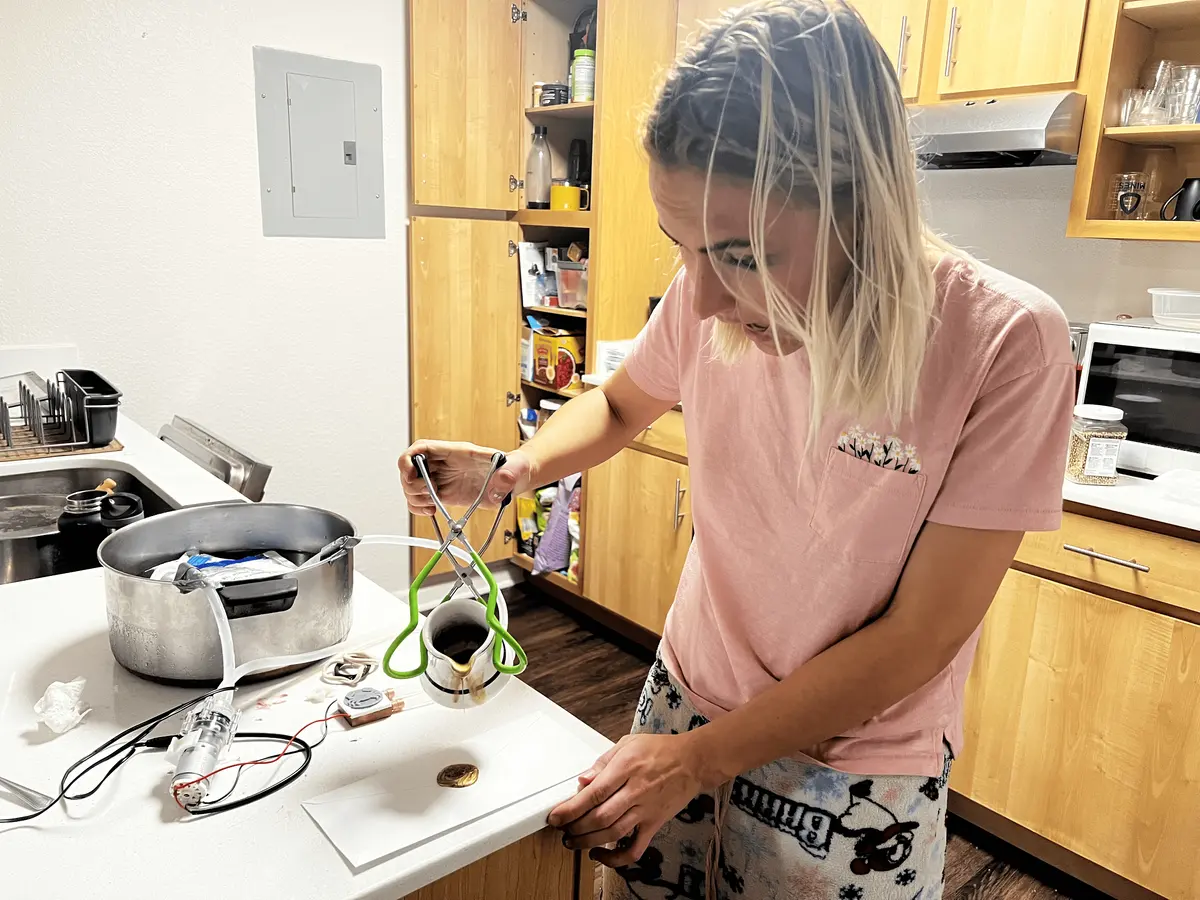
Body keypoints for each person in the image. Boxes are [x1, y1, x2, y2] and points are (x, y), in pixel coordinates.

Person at [400, 1, 1075, 897]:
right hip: (684, 696)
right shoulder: (705, 293)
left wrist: (700, 760)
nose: (706, 298)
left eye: (746, 254)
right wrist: (515, 467)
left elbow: (920, 639)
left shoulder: (1003, 341)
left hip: (852, 762)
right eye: (684, 249)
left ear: (862, 199)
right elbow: (620, 405)